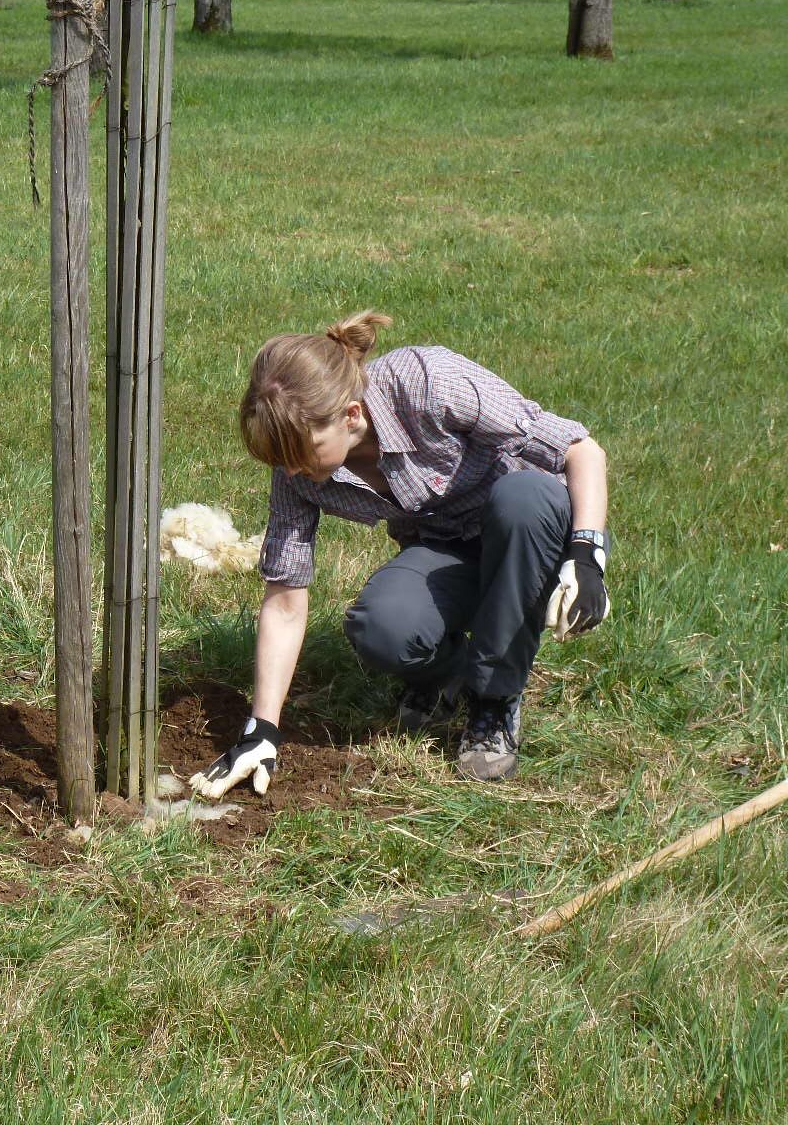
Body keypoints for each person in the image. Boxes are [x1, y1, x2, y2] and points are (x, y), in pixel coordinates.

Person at [190, 311, 609, 797]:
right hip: (448, 552)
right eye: (281, 459)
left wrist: (586, 553)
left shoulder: (427, 382)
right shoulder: (297, 473)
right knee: (381, 627)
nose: (291, 471)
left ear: (351, 415)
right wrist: (262, 730)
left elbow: (581, 450)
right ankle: (454, 672)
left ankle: (493, 699)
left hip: (537, 540)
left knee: (522, 498)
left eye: (302, 452)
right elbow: (284, 601)